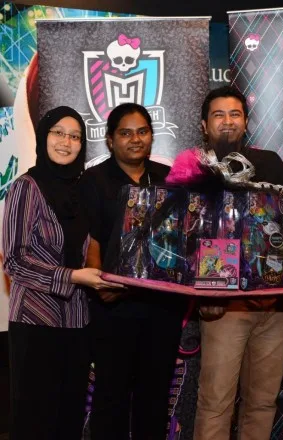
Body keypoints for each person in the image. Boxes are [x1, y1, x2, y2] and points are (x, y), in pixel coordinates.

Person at [166, 86, 283, 440]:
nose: (228, 121)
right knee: (216, 403)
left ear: (246, 122)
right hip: (224, 308)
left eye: (235, 114)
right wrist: (205, 294)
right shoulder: (190, 170)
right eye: (219, 115)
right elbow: (178, 239)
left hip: (273, 305)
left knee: (263, 402)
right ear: (204, 124)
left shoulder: (269, 162)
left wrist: (282, 288)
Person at [2, 106, 122, 440]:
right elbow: (15, 261)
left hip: (77, 323)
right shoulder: (26, 188)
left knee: (69, 420)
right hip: (35, 323)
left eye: (75, 136)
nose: (66, 142)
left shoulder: (81, 192)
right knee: (35, 421)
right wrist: (72, 276)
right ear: (43, 136)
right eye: (58, 133)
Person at [80, 103, 187, 440]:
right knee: (110, 397)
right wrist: (101, 285)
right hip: (114, 306)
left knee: (154, 397)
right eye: (125, 133)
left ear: (152, 136)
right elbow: (91, 240)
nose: (135, 139)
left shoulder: (169, 179)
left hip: (162, 306)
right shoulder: (94, 181)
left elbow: (184, 236)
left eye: (142, 131)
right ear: (110, 140)